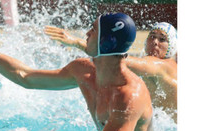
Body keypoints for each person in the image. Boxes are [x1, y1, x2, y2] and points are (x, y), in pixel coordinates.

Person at [0, 13, 159, 131]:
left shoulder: (128, 97)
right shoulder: (84, 71)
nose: (86, 33)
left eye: (94, 29)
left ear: (107, 43)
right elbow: (24, 76)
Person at [44, 22, 178, 120]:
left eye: (162, 39)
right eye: (152, 36)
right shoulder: (154, 66)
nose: (155, 42)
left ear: (172, 46)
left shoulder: (162, 66)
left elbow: (118, 59)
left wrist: (77, 43)